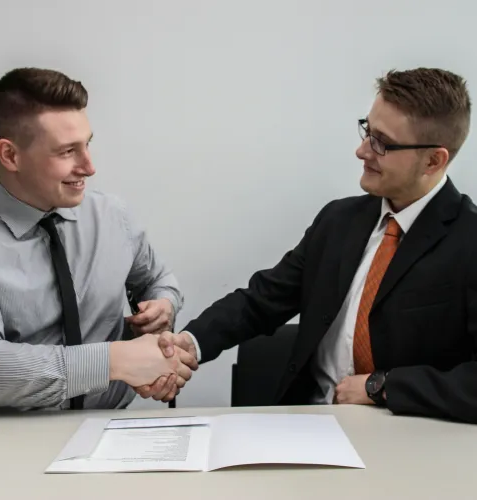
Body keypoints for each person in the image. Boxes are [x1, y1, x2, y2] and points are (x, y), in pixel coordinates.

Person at [141, 67, 477, 424]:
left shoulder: (468, 240)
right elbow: (262, 301)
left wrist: (382, 385)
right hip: (311, 427)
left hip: (411, 441)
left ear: (433, 160)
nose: (362, 150)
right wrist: (189, 344)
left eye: (382, 142)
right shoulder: (339, 221)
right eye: (367, 130)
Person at [0, 67, 197, 411]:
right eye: (67, 152)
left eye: (87, 144)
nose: (89, 167)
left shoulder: (113, 216)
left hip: (110, 432)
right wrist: (114, 360)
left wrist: (162, 307)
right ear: (10, 156)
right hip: (6, 448)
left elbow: (157, 280)